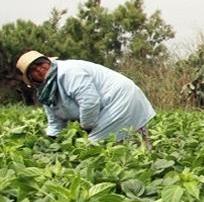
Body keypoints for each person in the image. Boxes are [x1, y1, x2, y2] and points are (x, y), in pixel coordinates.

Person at [15, 50, 155, 147]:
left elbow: (89, 101)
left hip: (119, 98)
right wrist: (52, 144)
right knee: (124, 144)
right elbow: (55, 122)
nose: (39, 69)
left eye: (40, 63)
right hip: (107, 107)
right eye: (33, 70)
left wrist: (87, 127)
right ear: (31, 78)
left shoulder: (69, 71)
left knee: (96, 147)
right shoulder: (46, 93)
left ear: (48, 62)